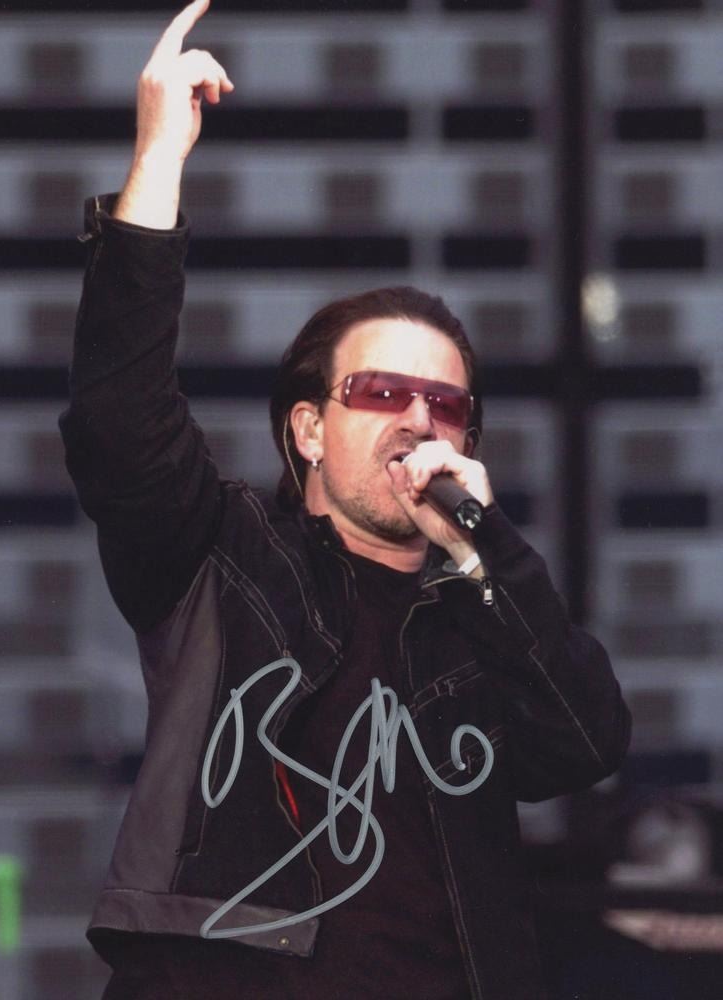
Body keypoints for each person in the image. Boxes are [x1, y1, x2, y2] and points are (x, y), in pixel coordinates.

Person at [59, 3, 631, 997]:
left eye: (445, 404)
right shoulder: (226, 558)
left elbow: (585, 744)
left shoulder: (479, 616)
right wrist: (156, 163)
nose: (416, 418)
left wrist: (484, 552)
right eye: (380, 393)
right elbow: (118, 422)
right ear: (310, 429)